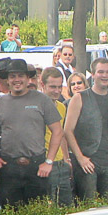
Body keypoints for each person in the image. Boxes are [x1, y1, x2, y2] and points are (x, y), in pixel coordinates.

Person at [0, 58, 64, 207]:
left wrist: (49, 162)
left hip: (36, 165)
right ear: (7, 80)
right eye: (12, 76)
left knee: (37, 214)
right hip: (8, 166)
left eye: (20, 76)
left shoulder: (42, 100)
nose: (17, 80)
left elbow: (58, 131)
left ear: (28, 78)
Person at [63, 57, 108, 200]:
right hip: (87, 164)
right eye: (100, 72)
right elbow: (67, 130)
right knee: (88, 209)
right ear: (93, 74)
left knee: (107, 210)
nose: (104, 75)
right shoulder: (79, 98)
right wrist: (81, 158)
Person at [40, 67, 72, 206]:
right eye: (52, 87)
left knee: (66, 205)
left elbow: (62, 134)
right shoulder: (37, 105)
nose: (57, 91)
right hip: (45, 160)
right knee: (48, 205)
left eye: (59, 87)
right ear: (43, 85)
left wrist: (66, 158)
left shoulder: (61, 106)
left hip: (61, 162)